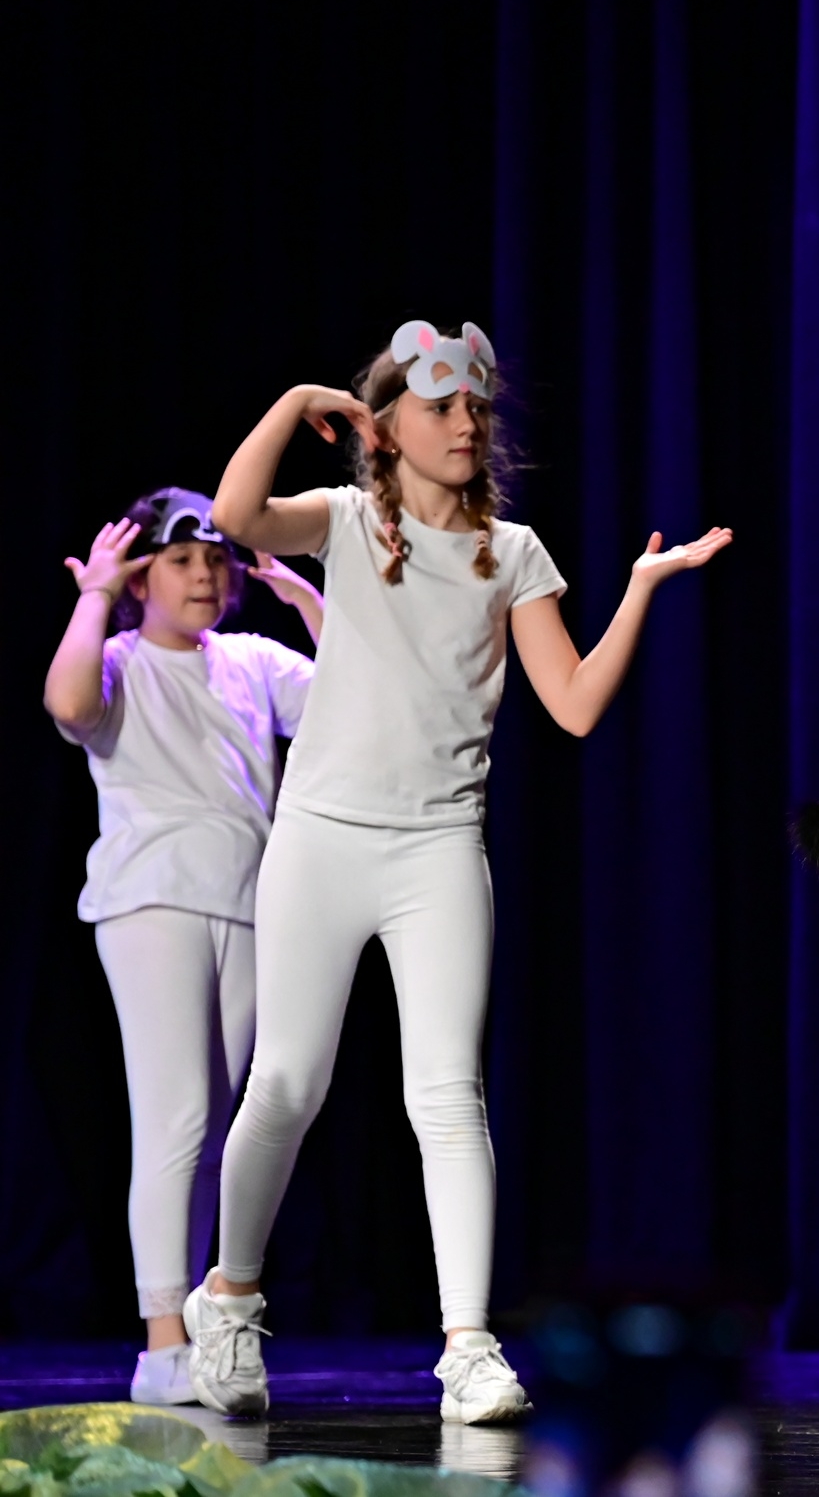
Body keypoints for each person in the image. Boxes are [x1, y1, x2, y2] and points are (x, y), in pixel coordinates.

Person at [181, 320, 731, 1424]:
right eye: (440, 408)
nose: (467, 424)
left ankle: (468, 1345)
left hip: (436, 846)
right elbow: (235, 518)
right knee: (286, 1083)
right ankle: (229, 1298)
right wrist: (294, 404)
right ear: (386, 430)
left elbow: (573, 705)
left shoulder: (511, 552)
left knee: (446, 1093)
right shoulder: (343, 522)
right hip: (322, 837)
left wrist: (638, 587)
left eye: (475, 406)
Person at [44, 489, 322, 1405]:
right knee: (176, 1117)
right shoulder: (117, 659)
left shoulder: (249, 660)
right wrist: (96, 596)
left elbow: (351, 704)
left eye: (216, 560)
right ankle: (161, 1345)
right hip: (151, 900)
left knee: (216, 1132)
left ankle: (192, 1333)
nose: (204, 575)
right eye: (180, 560)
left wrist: (306, 599)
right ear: (143, 578)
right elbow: (67, 702)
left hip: (247, 905)